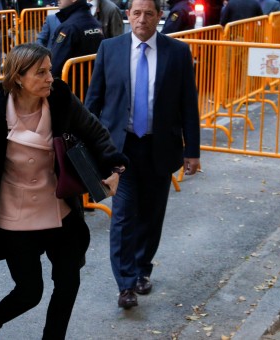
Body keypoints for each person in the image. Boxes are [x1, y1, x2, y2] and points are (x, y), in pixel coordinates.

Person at [0, 43, 128, 340]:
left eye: (50, 69)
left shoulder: (60, 98)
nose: (51, 77)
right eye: (41, 72)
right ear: (18, 77)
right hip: (14, 216)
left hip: (59, 209)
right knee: (29, 292)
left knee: (68, 281)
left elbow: (95, 132)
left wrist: (114, 167)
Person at [84, 0, 200, 309]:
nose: (142, 19)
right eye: (136, 13)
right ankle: (125, 285)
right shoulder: (110, 49)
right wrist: (83, 147)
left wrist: (193, 151)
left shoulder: (177, 53)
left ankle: (140, 270)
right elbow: (93, 101)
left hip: (160, 147)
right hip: (120, 149)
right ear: (128, 16)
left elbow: (189, 104)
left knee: (151, 216)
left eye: (149, 13)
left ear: (159, 16)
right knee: (122, 216)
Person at [50, 0, 104, 78]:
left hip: (71, 85)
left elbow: (54, 64)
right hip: (92, 84)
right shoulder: (95, 24)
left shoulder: (69, 27)